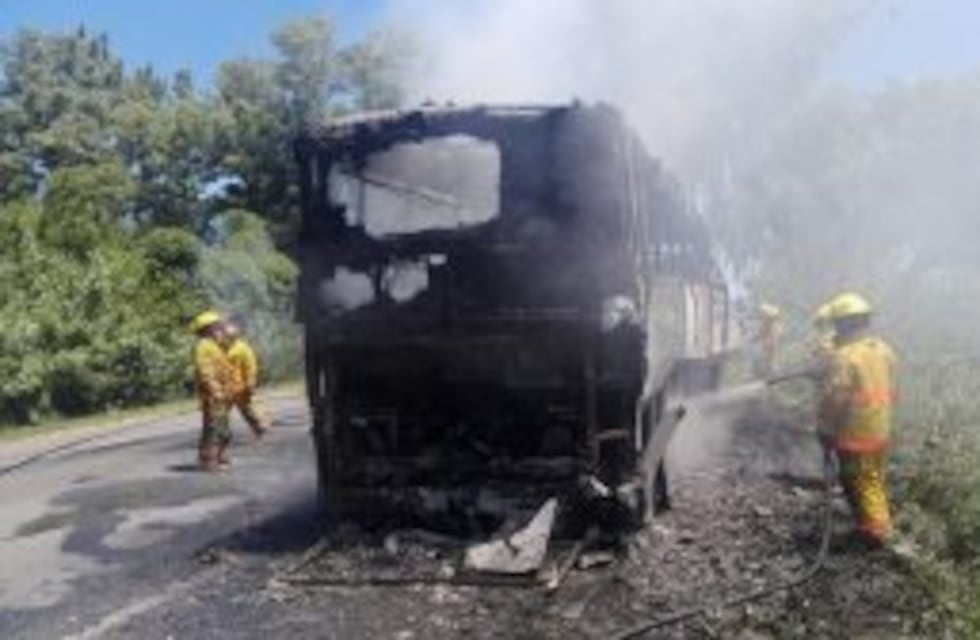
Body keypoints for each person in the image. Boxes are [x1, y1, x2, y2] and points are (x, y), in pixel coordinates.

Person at [817, 292, 897, 546]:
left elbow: (835, 398)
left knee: (859, 482)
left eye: (837, 324)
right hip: (880, 427)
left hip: (856, 433)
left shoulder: (846, 357)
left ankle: (878, 535)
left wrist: (825, 428)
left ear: (843, 324)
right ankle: (870, 527)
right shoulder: (883, 349)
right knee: (873, 479)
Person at [190, 310, 234, 471]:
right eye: (217, 326)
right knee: (214, 428)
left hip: (221, 393)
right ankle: (209, 460)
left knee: (221, 427)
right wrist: (215, 389)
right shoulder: (203, 346)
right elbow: (205, 371)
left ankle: (218, 456)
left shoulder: (214, 345)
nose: (221, 328)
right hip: (212, 395)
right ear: (208, 329)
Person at [222, 321, 270, 439]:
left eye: (229, 335)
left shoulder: (242, 348)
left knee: (247, 410)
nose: (227, 337)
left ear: (236, 335)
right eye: (226, 335)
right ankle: (222, 434)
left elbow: (250, 366)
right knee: (221, 412)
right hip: (225, 388)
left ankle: (259, 428)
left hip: (241, 387)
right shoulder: (221, 348)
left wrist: (250, 382)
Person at [754, 302, 783, 377]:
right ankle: (767, 370)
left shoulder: (775, 326)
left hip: (771, 344)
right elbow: (760, 334)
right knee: (765, 357)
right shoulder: (763, 324)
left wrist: (768, 342)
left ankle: (773, 369)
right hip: (766, 344)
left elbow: (776, 338)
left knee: (772, 357)